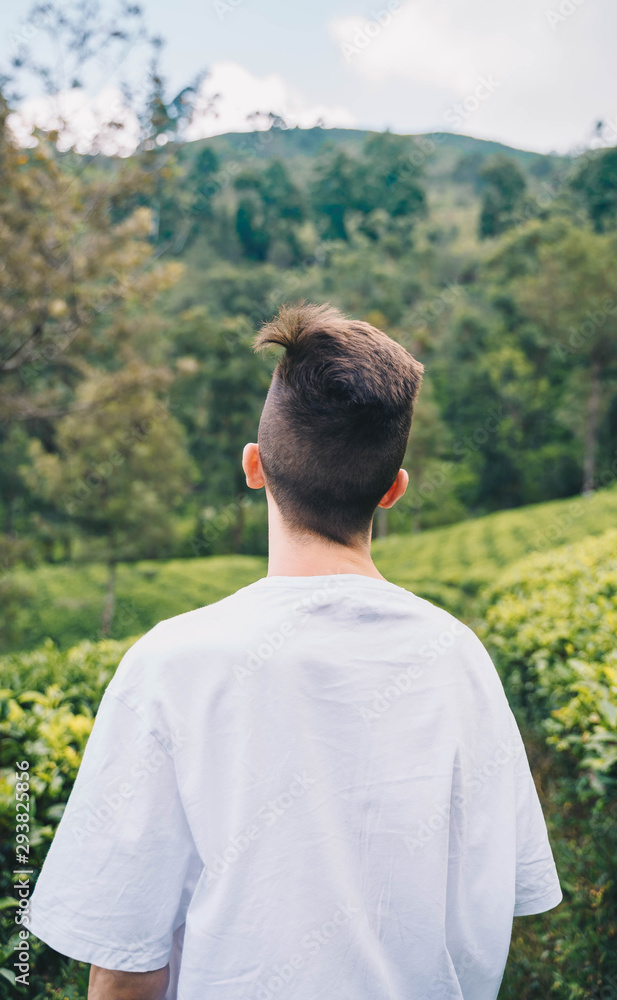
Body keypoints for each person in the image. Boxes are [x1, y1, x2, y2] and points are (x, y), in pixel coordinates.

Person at [25, 301, 562, 1000]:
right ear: (392, 491)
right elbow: (495, 901)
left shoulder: (170, 665)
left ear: (255, 467)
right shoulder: (460, 661)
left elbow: (125, 966)